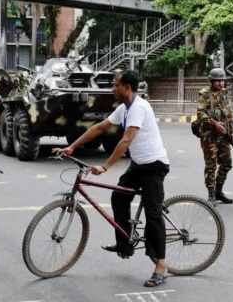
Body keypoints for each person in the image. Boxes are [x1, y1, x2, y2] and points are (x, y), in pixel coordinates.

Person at [53, 70, 170, 288]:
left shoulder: (138, 107)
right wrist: (72, 147)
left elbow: (125, 141)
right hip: (138, 165)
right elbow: (99, 127)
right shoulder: (123, 109)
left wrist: (105, 166)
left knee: (153, 214)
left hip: (154, 166)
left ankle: (161, 265)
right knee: (118, 196)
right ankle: (125, 245)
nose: (112, 88)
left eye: (115, 84)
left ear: (126, 86)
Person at [196, 68, 233, 206]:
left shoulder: (224, 94)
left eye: (222, 80)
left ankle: (219, 191)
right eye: (218, 80)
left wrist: (232, 133)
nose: (221, 83)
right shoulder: (204, 94)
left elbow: (229, 115)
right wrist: (214, 124)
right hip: (209, 136)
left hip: (224, 135)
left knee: (227, 163)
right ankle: (211, 194)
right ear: (212, 81)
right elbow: (200, 113)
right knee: (211, 166)